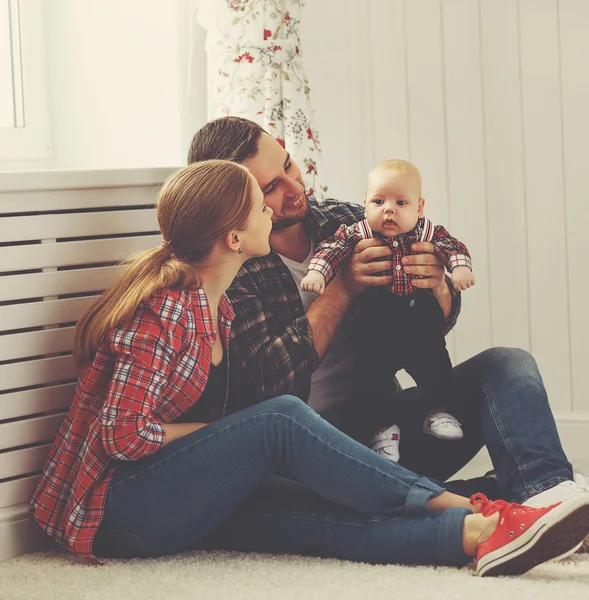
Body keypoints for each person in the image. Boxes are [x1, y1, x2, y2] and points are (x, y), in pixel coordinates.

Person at [29, 159, 589, 576]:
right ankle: (468, 504)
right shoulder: (169, 307)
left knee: (323, 520)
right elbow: (119, 434)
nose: (274, 207)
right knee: (279, 419)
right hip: (110, 509)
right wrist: (228, 436)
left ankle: (481, 533)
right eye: (260, 200)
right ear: (232, 235)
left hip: (191, 485)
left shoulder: (218, 300)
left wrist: (436, 281)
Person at [187, 116, 589, 521]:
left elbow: (430, 328)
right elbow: (271, 382)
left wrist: (438, 288)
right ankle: (484, 495)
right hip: (316, 452)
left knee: (508, 364)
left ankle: (550, 497)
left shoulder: (349, 220)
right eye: (270, 188)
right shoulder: (229, 267)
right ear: (232, 203)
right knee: (319, 499)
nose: (295, 188)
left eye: (289, 165)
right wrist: (342, 288)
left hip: (390, 430)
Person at [301, 158, 475, 461]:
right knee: (371, 379)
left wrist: (457, 271)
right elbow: (331, 250)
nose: (388, 209)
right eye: (379, 201)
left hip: (418, 324)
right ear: (365, 202)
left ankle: (437, 412)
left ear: (419, 208)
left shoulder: (426, 232)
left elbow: (452, 247)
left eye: (400, 202)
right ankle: (382, 430)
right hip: (375, 327)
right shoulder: (358, 231)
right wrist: (318, 274)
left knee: (436, 368)